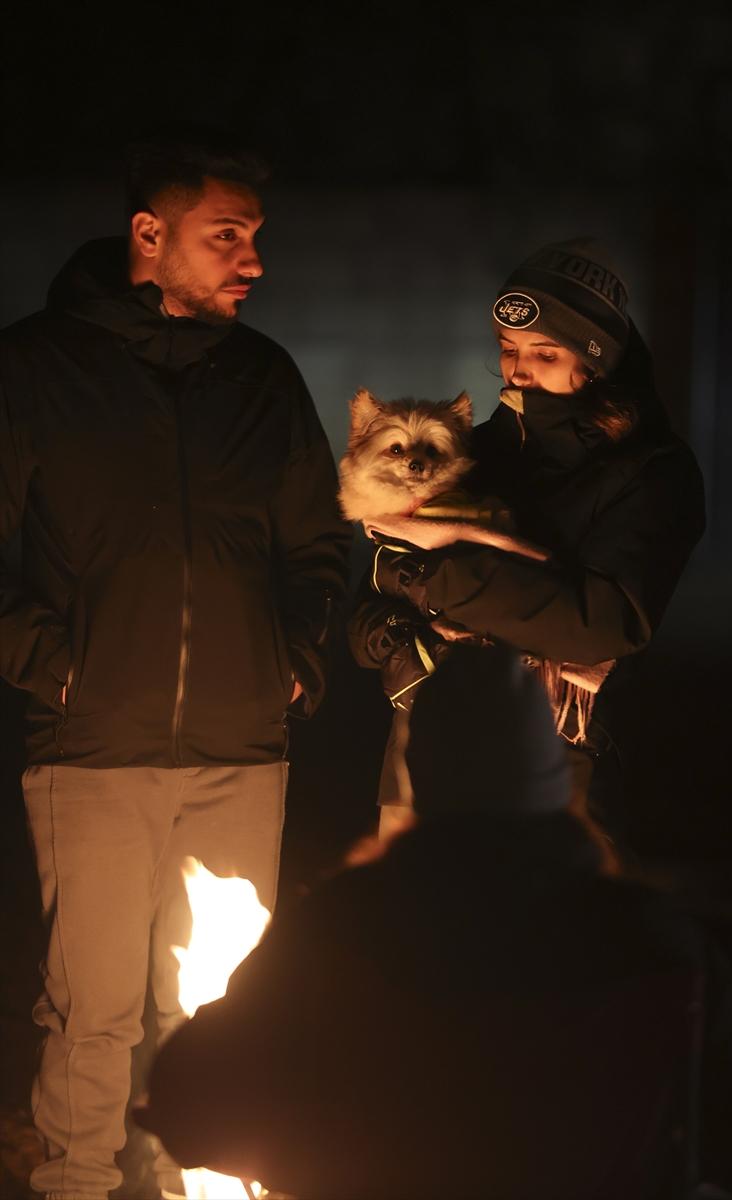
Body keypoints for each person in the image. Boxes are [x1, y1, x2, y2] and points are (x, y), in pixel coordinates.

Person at [0, 128, 351, 1200]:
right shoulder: (34, 370)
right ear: (148, 236)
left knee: (216, 1011)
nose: (251, 261)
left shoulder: (263, 379)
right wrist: (52, 666)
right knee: (92, 1009)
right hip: (92, 750)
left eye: (255, 237)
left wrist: (292, 659)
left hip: (242, 751)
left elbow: (318, 545)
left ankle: (198, 1186)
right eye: (226, 235)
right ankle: (75, 1186)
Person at [135, 644, 732, 1200]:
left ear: (425, 775)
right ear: (550, 785)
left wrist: (310, 1153)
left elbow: (189, 1104)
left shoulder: (344, 928)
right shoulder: (652, 935)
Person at [348, 238, 706, 858]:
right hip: (426, 755)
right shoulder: (471, 452)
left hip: (556, 764)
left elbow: (602, 621)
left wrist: (439, 578)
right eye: (509, 350)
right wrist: (403, 651)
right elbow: (373, 596)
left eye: (545, 352)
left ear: (596, 361)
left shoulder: (650, 469)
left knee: (545, 946)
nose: (518, 370)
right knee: (409, 946)